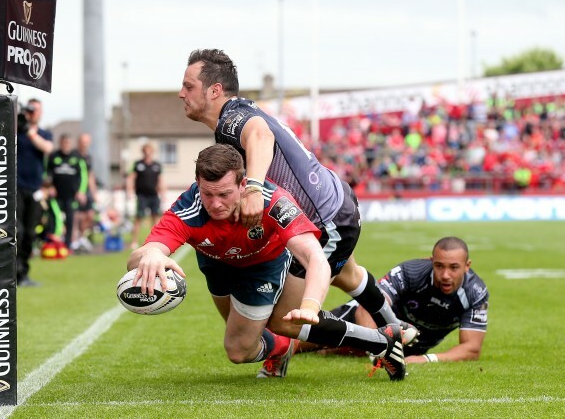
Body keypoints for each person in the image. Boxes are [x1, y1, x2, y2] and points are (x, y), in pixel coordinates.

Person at [178, 49, 414, 345]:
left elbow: (261, 136)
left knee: (283, 319)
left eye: (188, 86)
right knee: (347, 275)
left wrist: (252, 188)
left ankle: (382, 341)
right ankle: (400, 330)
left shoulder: (231, 119)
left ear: (214, 91)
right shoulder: (240, 112)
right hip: (335, 203)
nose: (181, 93)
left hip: (323, 218)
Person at [128, 144, 406, 380]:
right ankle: (282, 348)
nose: (214, 204)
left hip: (262, 267)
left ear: (243, 184)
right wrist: (150, 254)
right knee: (243, 337)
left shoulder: (274, 202)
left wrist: (310, 305)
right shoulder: (189, 206)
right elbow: (139, 258)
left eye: (224, 194)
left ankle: (374, 340)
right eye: (207, 193)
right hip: (215, 266)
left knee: (238, 351)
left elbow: (314, 257)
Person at [302, 237, 489, 364]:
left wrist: (426, 359)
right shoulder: (411, 272)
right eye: (439, 266)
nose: (445, 275)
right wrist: (378, 348)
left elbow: (471, 348)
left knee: (332, 349)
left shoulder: (475, 292)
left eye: (454, 268)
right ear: (431, 261)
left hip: (406, 349)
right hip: (362, 324)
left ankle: (339, 349)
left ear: (467, 266)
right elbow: (366, 309)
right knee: (299, 336)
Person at [16, 99, 54, 287]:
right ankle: (12, 272)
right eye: (29, 110)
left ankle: (23, 273)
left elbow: (47, 148)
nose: (32, 113)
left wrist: (29, 132)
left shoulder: (43, 133)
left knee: (30, 233)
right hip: (16, 187)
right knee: (17, 231)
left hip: (35, 189)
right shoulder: (17, 130)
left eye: (35, 110)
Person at [47, 133, 88, 251]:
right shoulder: (53, 156)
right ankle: (52, 244)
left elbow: (84, 176)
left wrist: (81, 191)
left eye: (68, 143)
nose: (66, 145)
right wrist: (50, 186)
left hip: (71, 196)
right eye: (64, 143)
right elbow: (47, 173)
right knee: (54, 219)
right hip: (56, 196)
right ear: (60, 143)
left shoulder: (77, 157)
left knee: (70, 220)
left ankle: (68, 245)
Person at [127, 142, 164, 250]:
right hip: (142, 196)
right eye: (145, 150)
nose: (147, 153)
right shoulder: (137, 164)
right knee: (138, 218)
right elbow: (131, 178)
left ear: (152, 152)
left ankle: (156, 240)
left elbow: (160, 180)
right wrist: (129, 191)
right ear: (143, 152)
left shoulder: (157, 165)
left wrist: (163, 192)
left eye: (149, 150)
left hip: (154, 195)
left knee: (156, 218)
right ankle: (134, 242)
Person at [72, 133, 98, 253]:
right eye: (83, 141)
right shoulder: (74, 156)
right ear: (79, 142)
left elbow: (90, 176)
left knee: (90, 215)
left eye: (87, 142)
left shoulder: (88, 157)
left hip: (87, 191)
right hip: (76, 190)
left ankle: (82, 237)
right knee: (77, 216)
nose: (85, 144)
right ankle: (75, 240)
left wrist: (94, 193)